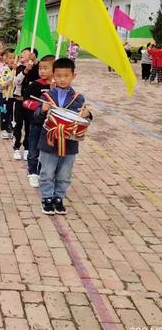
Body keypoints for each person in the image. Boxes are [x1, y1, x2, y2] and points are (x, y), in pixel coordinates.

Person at [34, 58, 92, 215]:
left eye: (66, 75)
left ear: (73, 76)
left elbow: (83, 119)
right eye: (58, 75)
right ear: (53, 75)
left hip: (69, 143)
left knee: (64, 173)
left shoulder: (78, 97)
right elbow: (37, 119)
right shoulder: (47, 96)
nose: (62, 79)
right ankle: (46, 198)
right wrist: (42, 110)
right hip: (49, 141)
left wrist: (88, 114)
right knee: (47, 171)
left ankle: (58, 197)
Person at [23, 55, 55, 188]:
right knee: (33, 148)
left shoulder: (57, 87)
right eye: (40, 68)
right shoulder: (35, 84)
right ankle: (32, 172)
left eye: (46, 68)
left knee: (46, 151)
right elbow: (25, 101)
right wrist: (40, 107)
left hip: (51, 127)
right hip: (36, 123)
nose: (42, 71)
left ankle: (43, 171)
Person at [0, 48, 16, 139]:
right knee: (4, 112)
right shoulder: (4, 70)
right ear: (6, 59)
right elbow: (0, 82)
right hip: (5, 96)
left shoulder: (16, 70)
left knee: (12, 114)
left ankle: (11, 129)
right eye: (10, 58)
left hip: (14, 96)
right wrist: (6, 84)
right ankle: (3, 130)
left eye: (14, 58)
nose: (12, 60)